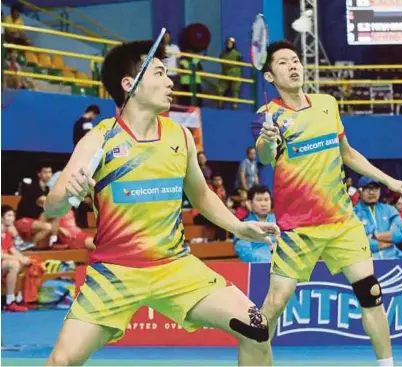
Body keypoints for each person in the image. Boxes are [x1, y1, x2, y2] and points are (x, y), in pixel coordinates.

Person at [43, 40, 278, 366]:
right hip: (115, 273)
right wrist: (69, 191)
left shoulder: (179, 136)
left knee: (256, 328)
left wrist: (238, 226)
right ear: (130, 84)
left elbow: (202, 195)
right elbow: (52, 207)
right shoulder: (99, 138)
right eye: (159, 73)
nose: (170, 82)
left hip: (175, 268)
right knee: (62, 361)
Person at [252, 40, 402, 367]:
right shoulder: (267, 115)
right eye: (283, 63)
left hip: (341, 222)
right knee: (276, 301)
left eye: (295, 60)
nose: (293, 66)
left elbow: (348, 153)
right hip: (298, 229)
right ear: (269, 76)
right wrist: (268, 141)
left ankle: (388, 365)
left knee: (370, 292)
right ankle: (252, 359)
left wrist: (389, 180)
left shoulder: (326, 104)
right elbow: (265, 157)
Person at [353, 177, 402, 259]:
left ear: (379, 191)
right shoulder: (353, 213)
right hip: (367, 263)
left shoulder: (389, 210)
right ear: (359, 192)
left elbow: (401, 234)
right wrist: (389, 242)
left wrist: (374, 236)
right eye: (367, 189)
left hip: (393, 259)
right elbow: (357, 243)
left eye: (375, 188)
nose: (371, 192)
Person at [15, 163, 58, 248]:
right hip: (23, 220)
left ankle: (54, 239)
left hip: (36, 220)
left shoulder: (46, 189)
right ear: (39, 174)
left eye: (50, 172)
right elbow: (46, 202)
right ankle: (30, 246)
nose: (48, 175)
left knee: (57, 213)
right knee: (48, 227)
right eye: (45, 172)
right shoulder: (33, 187)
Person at [234, 185, 275, 263]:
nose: (263, 204)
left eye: (266, 200)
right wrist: (268, 262)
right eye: (259, 200)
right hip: (259, 267)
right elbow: (245, 252)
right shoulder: (244, 225)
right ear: (249, 203)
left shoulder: (280, 221)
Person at [1, 205, 31, 312]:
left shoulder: (7, 233)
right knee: (14, 263)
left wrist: (24, 258)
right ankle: (9, 301)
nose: (12, 218)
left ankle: (21, 298)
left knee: (27, 263)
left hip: (2, 266)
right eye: (9, 215)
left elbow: (13, 250)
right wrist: (18, 259)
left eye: (13, 215)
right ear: (1, 218)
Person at [217, 37, 243, 110]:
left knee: (235, 90)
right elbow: (220, 60)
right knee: (220, 89)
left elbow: (240, 63)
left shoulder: (237, 53)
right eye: (228, 43)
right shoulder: (223, 54)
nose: (229, 44)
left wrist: (235, 70)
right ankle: (219, 104)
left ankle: (235, 106)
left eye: (230, 43)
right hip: (225, 73)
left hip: (235, 74)